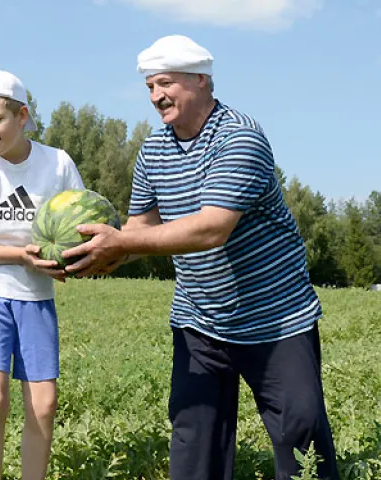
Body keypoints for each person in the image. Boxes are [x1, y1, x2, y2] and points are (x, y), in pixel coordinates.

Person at [61, 35, 340, 480]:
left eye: (165, 83)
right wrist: (89, 255)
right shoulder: (153, 150)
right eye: (150, 87)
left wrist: (121, 243)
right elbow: (139, 231)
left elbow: (211, 228)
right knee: (194, 442)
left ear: (201, 81)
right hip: (200, 320)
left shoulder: (239, 136)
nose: (155, 96)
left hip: (275, 319)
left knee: (300, 436)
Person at [0, 69, 84, 480]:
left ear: (22, 115)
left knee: (43, 404)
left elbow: (78, 226)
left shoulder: (57, 163)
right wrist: (18, 256)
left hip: (36, 296)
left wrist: (73, 261)